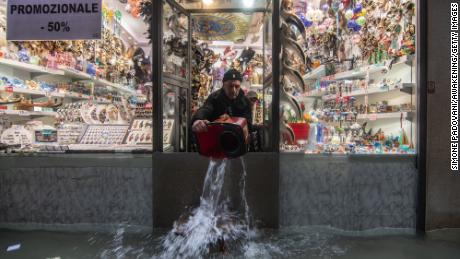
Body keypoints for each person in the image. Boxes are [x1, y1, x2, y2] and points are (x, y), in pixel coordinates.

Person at [191, 69, 252, 133]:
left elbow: (249, 125)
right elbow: (206, 109)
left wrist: (231, 120)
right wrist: (198, 119)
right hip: (217, 138)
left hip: (239, 140)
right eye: (230, 86)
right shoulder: (215, 97)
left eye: (237, 86)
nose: (234, 90)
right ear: (224, 85)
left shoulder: (245, 102)